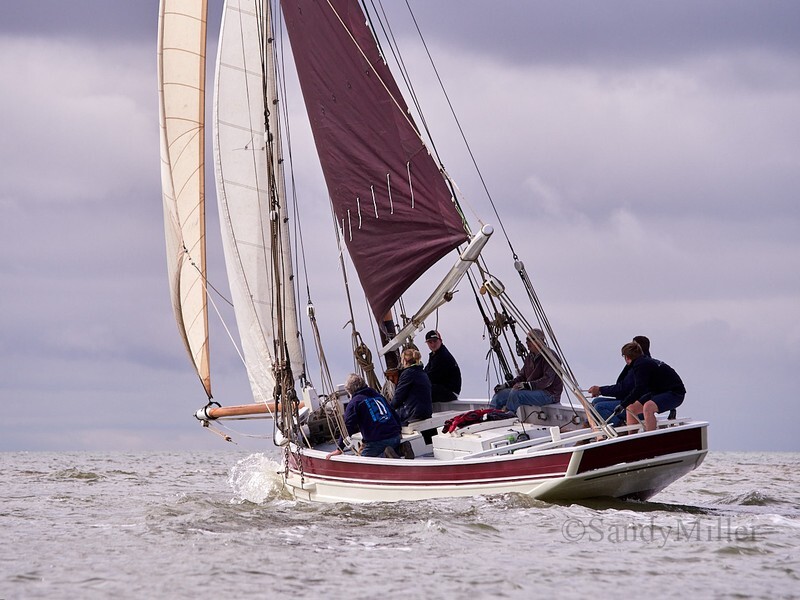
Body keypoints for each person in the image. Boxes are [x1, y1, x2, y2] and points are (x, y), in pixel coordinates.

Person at [325, 373, 401, 459]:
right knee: (388, 446)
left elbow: (347, 427)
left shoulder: (355, 403)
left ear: (350, 391)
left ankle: (385, 455)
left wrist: (339, 448)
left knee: (363, 460)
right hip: (395, 436)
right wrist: (399, 431)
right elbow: (394, 414)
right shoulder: (379, 396)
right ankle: (401, 449)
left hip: (378, 441)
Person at [617, 342, 686, 432]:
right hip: (659, 392)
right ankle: (632, 439)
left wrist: (622, 405)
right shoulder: (643, 362)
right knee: (631, 408)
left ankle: (649, 440)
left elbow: (639, 389)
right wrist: (625, 405)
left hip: (676, 393)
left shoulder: (641, 365)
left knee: (648, 407)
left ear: (627, 357)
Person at [490, 328, 563, 413]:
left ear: (539, 341)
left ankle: (508, 415)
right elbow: (522, 377)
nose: (526, 342)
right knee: (500, 395)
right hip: (533, 391)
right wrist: (506, 385)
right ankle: (490, 415)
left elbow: (547, 380)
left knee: (516, 394)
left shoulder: (549, 356)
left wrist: (527, 386)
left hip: (549, 394)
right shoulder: (530, 357)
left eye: (529, 339)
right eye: (526, 339)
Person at [588, 335, 651, 425]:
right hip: (628, 399)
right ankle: (593, 424)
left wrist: (600, 390)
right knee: (595, 402)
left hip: (636, 405)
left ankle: (619, 426)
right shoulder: (636, 363)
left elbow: (623, 388)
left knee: (599, 407)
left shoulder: (640, 367)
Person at [391, 348, 433, 423]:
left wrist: (389, 409)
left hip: (413, 413)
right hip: (425, 412)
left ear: (404, 361)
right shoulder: (422, 372)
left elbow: (398, 397)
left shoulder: (408, 373)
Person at [423, 330, 461, 403]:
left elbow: (431, 377)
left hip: (450, 392)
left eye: (435, 341)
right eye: (430, 342)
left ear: (440, 341)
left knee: (419, 389)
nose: (433, 344)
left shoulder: (442, 356)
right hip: (445, 390)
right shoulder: (435, 355)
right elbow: (426, 373)